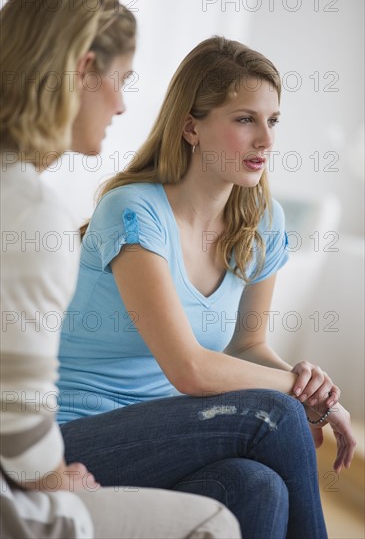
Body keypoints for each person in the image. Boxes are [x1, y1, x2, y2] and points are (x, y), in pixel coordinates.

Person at [55, 34, 357, 538]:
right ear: (191, 127)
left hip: (184, 433)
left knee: (258, 485)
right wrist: (311, 401)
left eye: (272, 120)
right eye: (245, 119)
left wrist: (303, 381)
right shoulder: (133, 211)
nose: (266, 139)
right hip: (80, 438)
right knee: (275, 415)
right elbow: (190, 370)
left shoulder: (263, 220)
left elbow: (248, 345)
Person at [0, 0, 242, 538]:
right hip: (27, 469)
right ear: (85, 70)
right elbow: (16, 414)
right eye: (123, 80)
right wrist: (59, 483)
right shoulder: (31, 212)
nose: (123, 107)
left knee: (251, 482)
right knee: (217, 520)